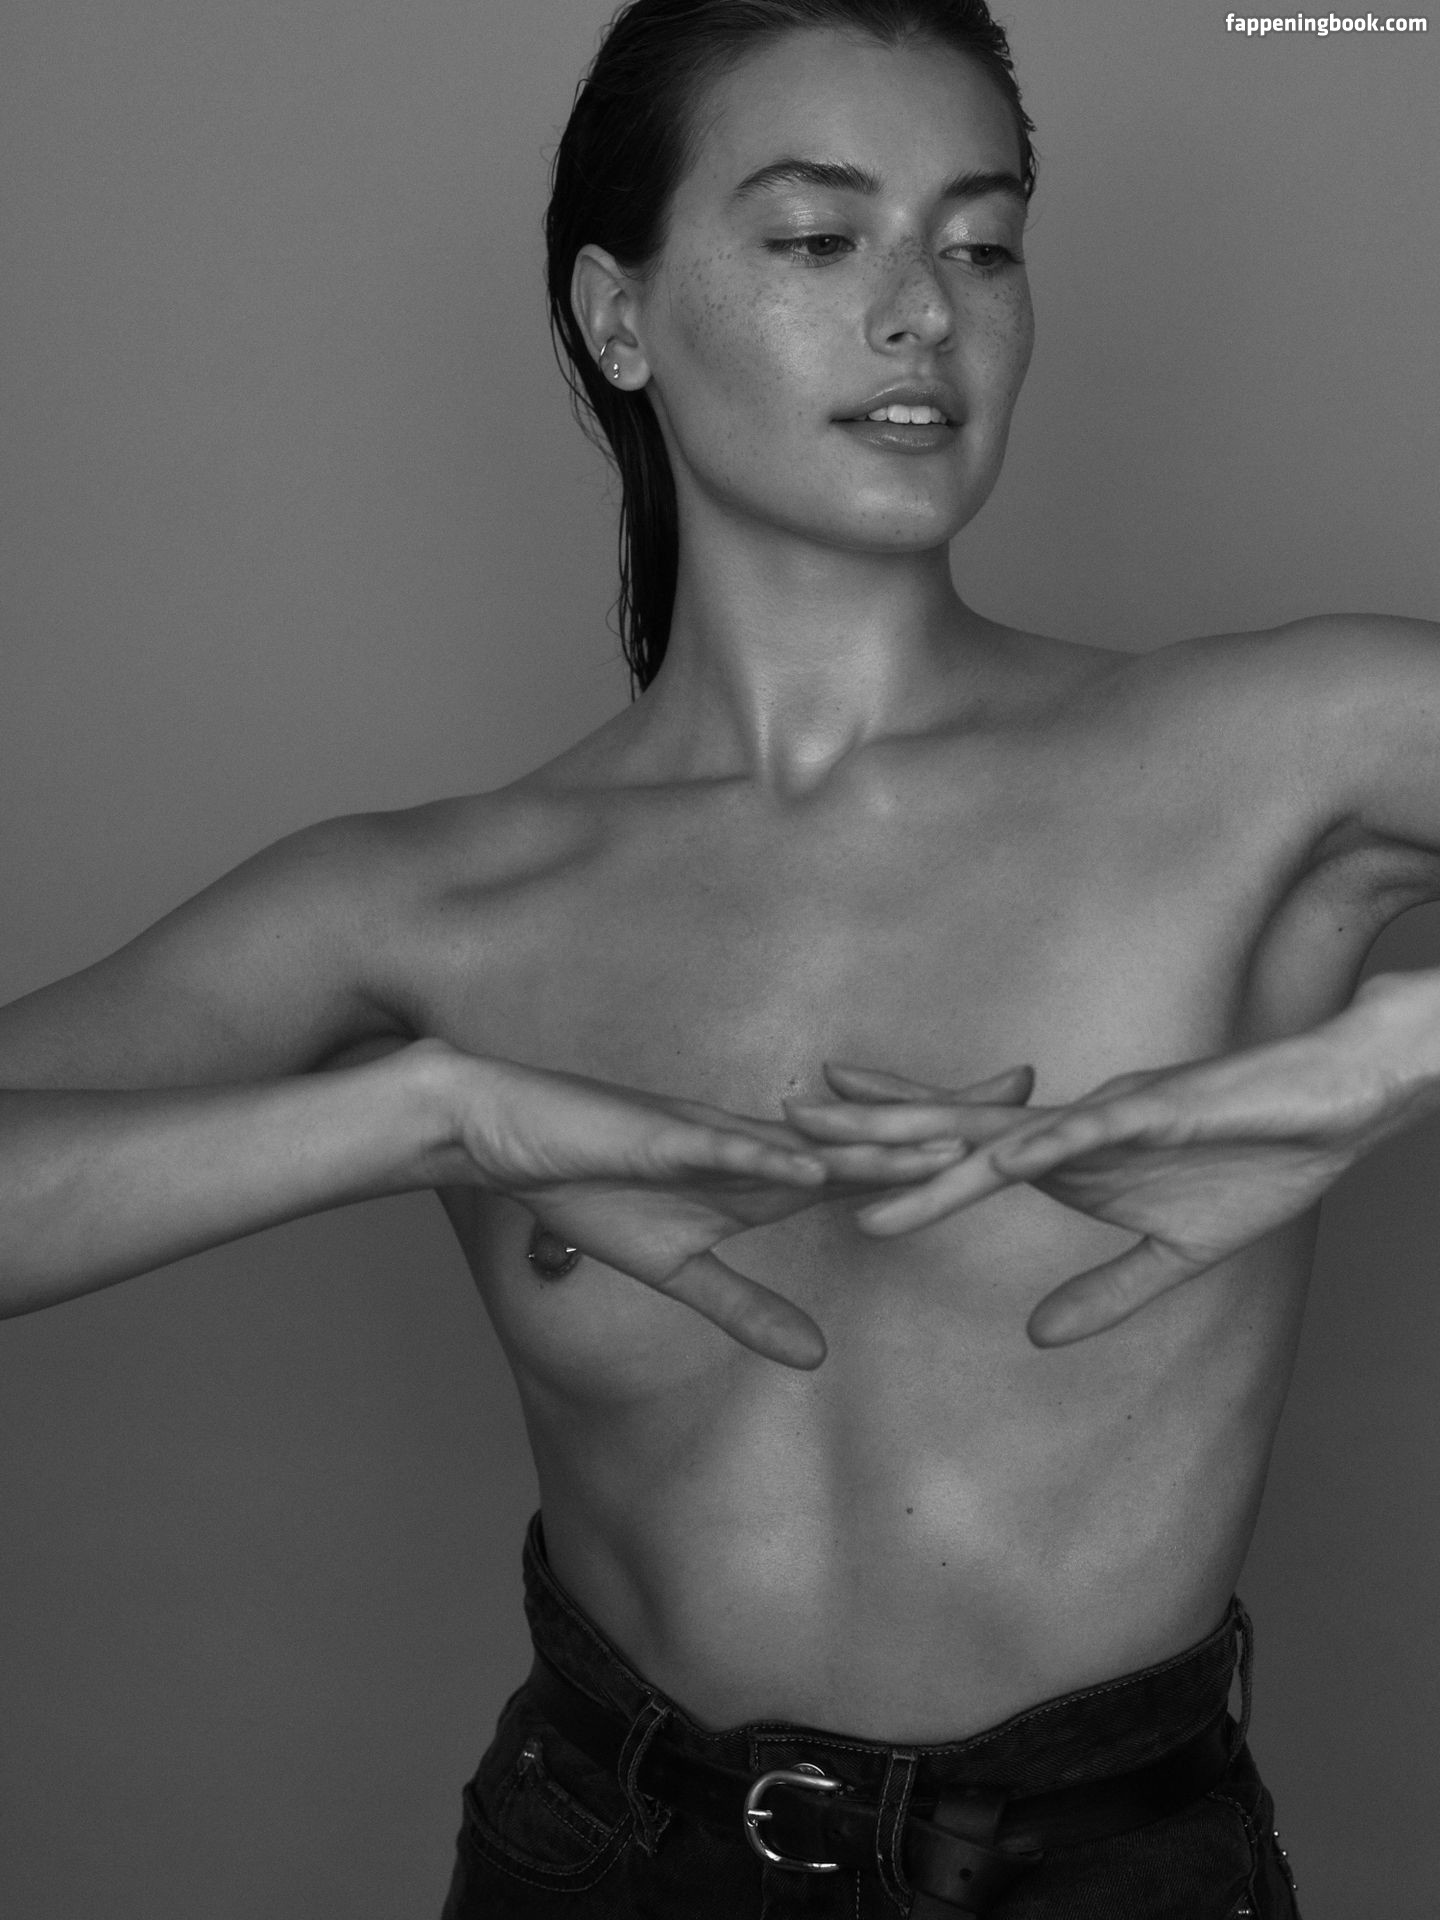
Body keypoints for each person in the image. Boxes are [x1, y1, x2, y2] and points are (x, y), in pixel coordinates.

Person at [2, 0, 1436, 1912]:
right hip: (602, 1858)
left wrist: (1398, 1050)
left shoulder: (1283, 755)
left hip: (1114, 1872)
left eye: (982, 244)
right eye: (821, 238)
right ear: (618, 316)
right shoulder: (420, 904)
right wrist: (420, 1119)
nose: (922, 313)